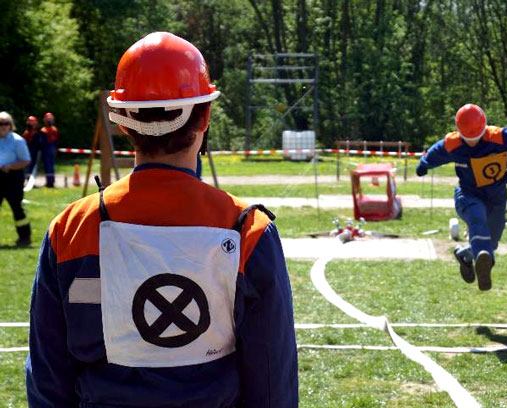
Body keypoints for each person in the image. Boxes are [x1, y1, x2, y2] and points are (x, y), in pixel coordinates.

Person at [26, 32, 298, 407]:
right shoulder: (249, 233)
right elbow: (272, 382)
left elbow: (48, 378)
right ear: (205, 116)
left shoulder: (70, 230)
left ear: (122, 122)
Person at [416, 104, 507, 291]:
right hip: (468, 195)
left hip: (497, 197)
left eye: (476, 138)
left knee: (492, 239)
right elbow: (434, 153)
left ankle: (466, 255)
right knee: (477, 218)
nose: (472, 142)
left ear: (484, 129)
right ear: (459, 131)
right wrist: (424, 165)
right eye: (467, 138)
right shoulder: (453, 142)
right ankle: (485, 264)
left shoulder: (500, 137)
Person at [0, 111, 32, 246]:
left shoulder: (17, 140)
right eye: (0, 123)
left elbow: (26, 160)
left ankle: (25, 238)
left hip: (13, 177)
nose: (3, 126)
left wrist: (10, 167)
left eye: (6, 123)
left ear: (10, 125)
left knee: (17, 208)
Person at [22, 115, 46, 181]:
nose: (31, 124)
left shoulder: (39, 133)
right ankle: (26, 179)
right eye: (30, 122)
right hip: (27, 152)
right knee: (27, 166)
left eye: (33, 123)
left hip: (36, 152)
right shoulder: (26, 133)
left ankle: (30, 180)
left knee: (33, 166)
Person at [40, 112, 60, 187]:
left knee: (48, 166)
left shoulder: (43, 130)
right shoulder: (54, 129)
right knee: (51, 166)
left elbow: (42, 142)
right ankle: (51, 181)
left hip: (47, 149)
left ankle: (49, 182)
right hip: (52, 149)